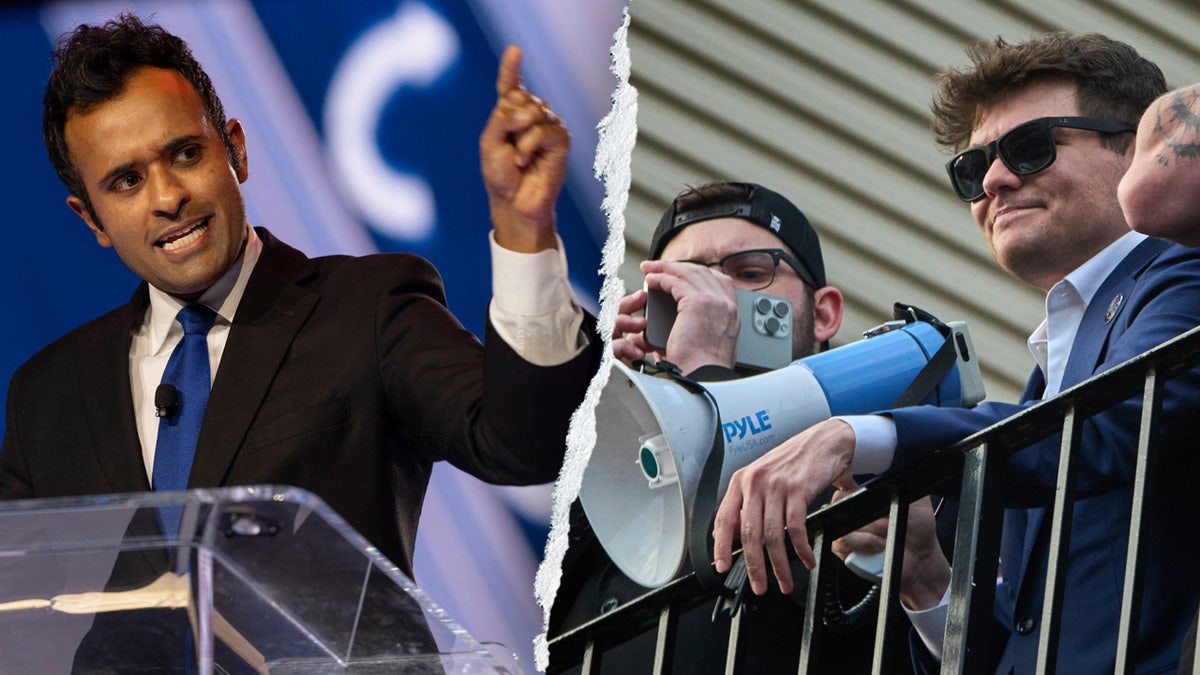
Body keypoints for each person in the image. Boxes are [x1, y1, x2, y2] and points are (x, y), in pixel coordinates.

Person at [0, 13, 601, 585]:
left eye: (186, 153)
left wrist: (525, 233)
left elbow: (529, 443)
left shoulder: (366, 307)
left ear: (235, 150)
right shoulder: (47, 396)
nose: (167, 197)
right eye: (126, 181)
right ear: (91, 219)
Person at [711, 32, 1200, 673]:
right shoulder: (1049, 375)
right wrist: (922, 573)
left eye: (1031, 148)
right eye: (973, 169)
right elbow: (1012, 652)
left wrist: (859, 435)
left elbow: (1114, 423)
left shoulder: (1184, 273)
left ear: (1132, 147)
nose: (994, 180)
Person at [551, 181, 904, 673]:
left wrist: (707, 384)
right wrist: (600, 417)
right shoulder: (616, 456)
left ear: (823, 314)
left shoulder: (869, 462)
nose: (713, 297)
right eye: (685, 283)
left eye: (751, 273)